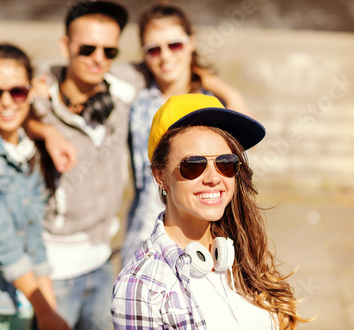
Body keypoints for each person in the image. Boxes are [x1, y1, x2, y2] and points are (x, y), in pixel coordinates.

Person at [112, 94, 309, 329]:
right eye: (193, 165)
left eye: (225, 163)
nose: (214, 177)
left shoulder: (240, 250)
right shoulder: (141, 285)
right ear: (160, 176)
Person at [122, 2, 254, 264]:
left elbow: (243, 145)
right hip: (144, 228)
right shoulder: (137, 99)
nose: (165, 56)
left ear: (191, 42)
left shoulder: (209, 104)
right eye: (153, 49)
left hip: (202, 229)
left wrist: (215, 83)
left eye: (175, 45)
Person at [31, 1, 136, 329]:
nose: (98, 59)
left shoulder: (123, 91)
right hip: (55, 269)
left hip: (105, 262)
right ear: (66, 46)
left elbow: (173, 65)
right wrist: (44, 129)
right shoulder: (36, 96)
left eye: (110, 51)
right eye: (87, 48)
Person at [0, 43, 69, 330]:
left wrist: (49, 310)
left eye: (17, 91)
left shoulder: (31, 151)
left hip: (24, 305)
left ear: (30, 92)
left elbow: (33, 235)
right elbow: (1, 241)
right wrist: (47, 311)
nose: (6, 101)